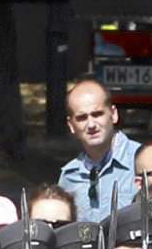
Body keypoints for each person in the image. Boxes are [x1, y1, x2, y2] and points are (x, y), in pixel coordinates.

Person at [59, 77, 141, 219]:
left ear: (113, 114)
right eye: (82, 118)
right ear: (71, 125)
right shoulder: (69, 177)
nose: (91, 125)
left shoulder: (142, 161)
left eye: (97, 114)